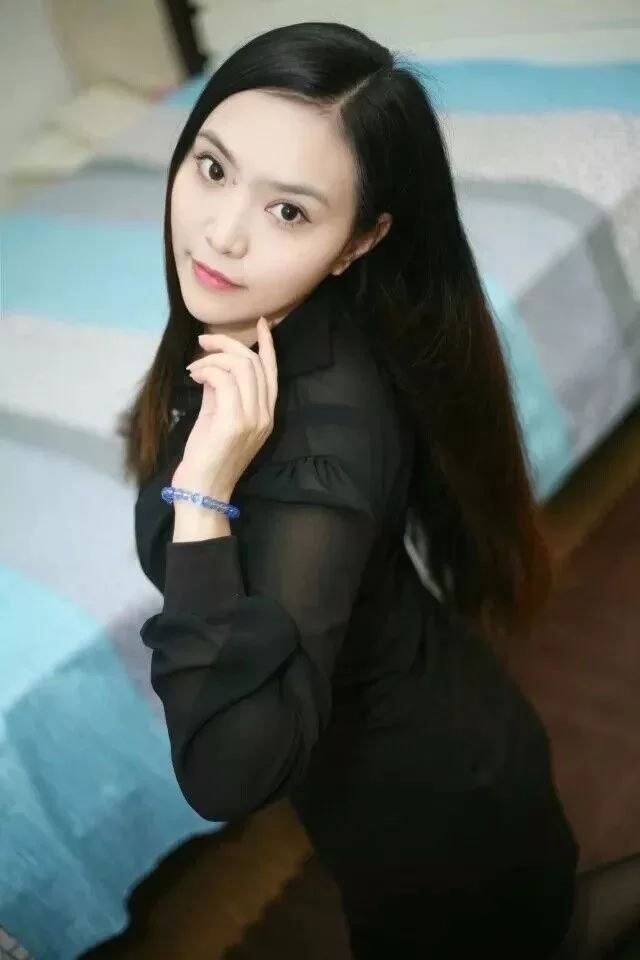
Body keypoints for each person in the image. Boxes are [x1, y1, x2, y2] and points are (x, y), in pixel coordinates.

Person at [120, 22, 582, 957]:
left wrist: (203, 493)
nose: (222, 233)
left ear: (358, 242)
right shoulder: (263, 321)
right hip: (423, 749)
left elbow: (225, 777)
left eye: (289, 212)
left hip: (440, 816)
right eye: (212, 167)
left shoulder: (319, 459)